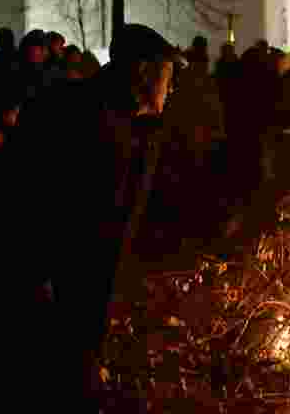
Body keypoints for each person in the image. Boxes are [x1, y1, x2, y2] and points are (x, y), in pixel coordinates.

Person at [9, 23, 180, 408]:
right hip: (60, 286)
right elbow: (33, 197)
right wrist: (40, 275)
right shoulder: (69, 112)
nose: (171, 89)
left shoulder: (145, 127)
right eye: (167, 76)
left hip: (106, 289)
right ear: (143, 72)